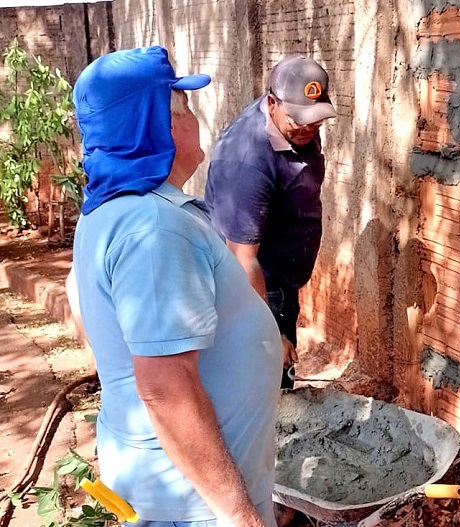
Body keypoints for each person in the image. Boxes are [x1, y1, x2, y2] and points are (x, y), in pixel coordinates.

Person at [68, 46, 283, 527]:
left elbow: (79, 302)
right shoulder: (153, 229)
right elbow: (166, 389)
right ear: (158, 126)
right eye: (184, 108)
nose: (195, 121)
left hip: (172, 485)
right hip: (194, 505)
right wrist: (239, 516)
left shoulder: (109, 208)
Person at [204, 55, 336, 389]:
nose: (308, 129)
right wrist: (270, 332)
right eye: (299, 121)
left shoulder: (294, 123)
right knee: (265, 383)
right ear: (272, 102)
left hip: (280, 279)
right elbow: (241, 259)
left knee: (276, 376)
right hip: (254, 289)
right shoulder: (247, 162)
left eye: (316, 121)